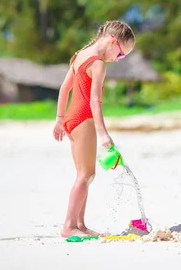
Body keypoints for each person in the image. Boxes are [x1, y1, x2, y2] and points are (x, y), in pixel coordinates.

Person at [52, 20, 135, 238]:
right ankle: (69, 226)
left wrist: (60, 118)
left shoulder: (81, 54)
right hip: (84, 120)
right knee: (86, 175)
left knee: (84, 174)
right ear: (113, 41)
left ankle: (80, 224)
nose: (117, 59)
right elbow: (94, 102)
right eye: (120, 54)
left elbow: (64, 88)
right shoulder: (98, 63)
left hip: (71, 119)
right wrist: (103, 134)